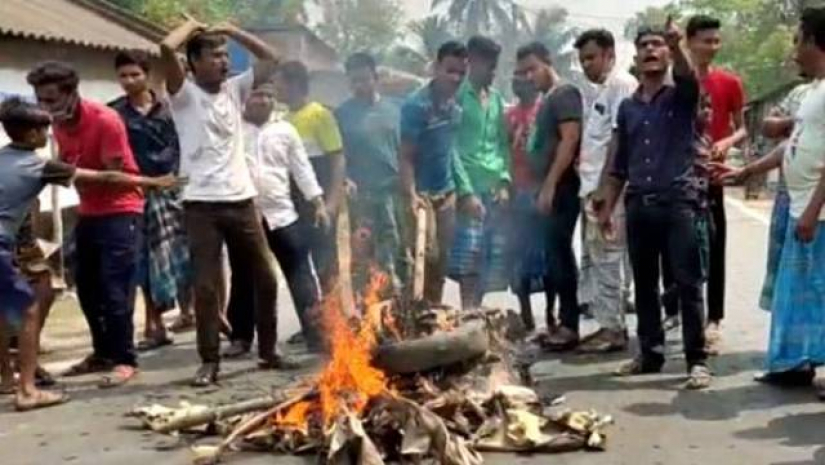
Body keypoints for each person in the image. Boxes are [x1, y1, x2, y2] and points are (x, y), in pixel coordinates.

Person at [0, 97, 176, 409]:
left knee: (5, 309)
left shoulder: (4, 157)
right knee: (28, 310)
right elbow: (105, 177)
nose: (49, 134)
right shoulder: (37, 166)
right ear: (30, 136)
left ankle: (5, 378)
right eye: (44, 130)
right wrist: (153, 182)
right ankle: (27, 391)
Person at [159, 18, 295, 386]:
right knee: (205, 286)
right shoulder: (183, 94)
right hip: (201, 204)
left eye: (225, 54)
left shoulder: (235, 88)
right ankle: (209, 360)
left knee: (266, 277)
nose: (223, 61)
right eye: (215, 55)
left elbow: (272, 58)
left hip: (242, 199)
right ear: (195, 63)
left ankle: (268, 351)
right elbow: (165, 49)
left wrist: (234, 31)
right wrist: (191, 27)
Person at [596, 20, 712, 389]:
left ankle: (697, 360)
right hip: (638, 205)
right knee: (644, 284)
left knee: (687, 282)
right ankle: (650, 354)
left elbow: (689, 77)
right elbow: (619, 164)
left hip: (678, 202)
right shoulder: (628, 108)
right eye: (644, 45)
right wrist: (607, 206)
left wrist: (679, 47)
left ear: (667, 52)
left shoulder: (681, 95)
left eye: (657, 45)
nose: (650, 50)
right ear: (636, 54)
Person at [720, 8, 825, 396]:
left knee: (818, 292)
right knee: (797, 294)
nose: (794, 50)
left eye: (798, 40)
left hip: (817, 212)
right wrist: (747, 171)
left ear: (814, 41)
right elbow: (791, 146)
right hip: (800, 206)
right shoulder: (813, 91)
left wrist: (814, 210)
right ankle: (795, 364)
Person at [27, 61, 145, 388]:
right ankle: (103, 352)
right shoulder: (60, 125)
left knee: (114, 286)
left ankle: (125, 359)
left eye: (50, 100)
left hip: (121, 208)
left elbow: (113, 176)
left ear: (71, 94)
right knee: (87, 287)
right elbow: (70, 167)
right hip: (90, 211)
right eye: (40, 100)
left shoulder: (105, 120)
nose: (44, 107)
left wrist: (63, 172)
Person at [225, 84, 329, 357]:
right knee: (243, 276)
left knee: (300, 275)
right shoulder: (233, 129)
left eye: (268, 95)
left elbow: (301, 168)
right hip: (245, 214)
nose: (262, 100)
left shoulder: (285, 130)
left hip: (283, 215)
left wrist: (317, 200)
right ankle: (241, 337)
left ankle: (316, 333)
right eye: (256, 95)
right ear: (245, 98)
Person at [109, 50, 192, 351]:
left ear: (148, 75)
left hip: (175, 190)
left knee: (183, 256)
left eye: (135, 75)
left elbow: (186, 144)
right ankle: (153, 324)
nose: (129, 81)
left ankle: (189, 311)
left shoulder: (171, 108)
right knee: (145, 260)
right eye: (123, 76)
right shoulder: (114, 114)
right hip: (139, 192)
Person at [686, 15, 748, 355]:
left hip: (711, 177)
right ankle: (678, 312)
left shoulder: (729, 83)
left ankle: (714, 319)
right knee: (678, 249)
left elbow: (743, 128)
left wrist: (726, 143)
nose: (711, 47)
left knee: (715, 242)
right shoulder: (674, 81)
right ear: (689, 41)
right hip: (677, 178)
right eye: (705, 40)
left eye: (715, 41)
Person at [515, 42, 583, 350]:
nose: (529, 77)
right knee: (554, 256)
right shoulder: (548, 98)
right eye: (523, 72)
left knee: (561, 256)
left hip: (562, 188)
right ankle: (563, 324)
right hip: (546, 186)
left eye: (532, 69)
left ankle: (569, 326)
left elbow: (569, 140)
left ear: (548, 62)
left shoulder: (564, 94)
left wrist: (551, 185)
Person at [574, 29, 638, 353]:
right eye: (582, 59)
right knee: (600, 257)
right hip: (595, 189)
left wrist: (605, 190)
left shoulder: (620, 85)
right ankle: (607, 324)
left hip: (608, 192)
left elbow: (619, 138)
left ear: (610, 55)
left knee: (609, 257)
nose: (586, 65)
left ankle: (613, 329)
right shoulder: (601, 90)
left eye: (591, 57)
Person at [399, 41, 468, 305]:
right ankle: (413, 316)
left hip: (447, 194)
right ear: (436, 68)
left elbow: (450, 150)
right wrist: (411, 195)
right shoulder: (416, 106)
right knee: (420, 262)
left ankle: (433, 314)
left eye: (461, 73)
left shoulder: (455, 103)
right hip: (422, 195)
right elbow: (405, 156)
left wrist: (463, 191)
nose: (456, 78)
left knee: (441, 262)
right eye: (450, 71)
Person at [335, 52, 407, 296]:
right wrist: (344, 180)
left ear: (376, 78)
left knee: (395, 250)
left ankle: (397, 306)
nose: (359, 86)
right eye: (354, 81)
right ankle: (366, 311)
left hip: (392, 192)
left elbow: (404, 151)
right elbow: (338, 155)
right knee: (362, 254)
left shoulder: (395, 110)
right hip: (360, 196)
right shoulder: (342, 114)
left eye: (364, 79)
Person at [449, 36, 511, 311]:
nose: (493, 71)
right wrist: (465, 191)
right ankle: (468, 311)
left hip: (494, 189)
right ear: (471, 62)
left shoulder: (497, 99)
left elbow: (502, 143)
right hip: (468, 188)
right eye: (488, 64)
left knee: (490, 254)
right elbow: (449, 146)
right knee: (469, 256)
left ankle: (478, 308)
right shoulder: (458, 96)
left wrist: (504, 182)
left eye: (495, 65)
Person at [273, 61, 345, 297]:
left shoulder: (320, 115)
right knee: (301, 265)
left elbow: (336, 159)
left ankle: (334, 324)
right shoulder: (281, 120)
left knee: (325, 262)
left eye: (279, 83)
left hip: (318, 201)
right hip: (292, 202)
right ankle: (314, 322)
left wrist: (332, 203)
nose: (276, 89)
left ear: (294, 84)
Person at [757, 80, 813, 311]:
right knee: (784, 264)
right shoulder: (801, 92)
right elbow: (768, 126)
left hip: (814, 195)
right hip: (787, 193)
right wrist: (797, 121)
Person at [505, 74, 549, 332]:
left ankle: (553, 314)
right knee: (519, 254)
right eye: (515, 80)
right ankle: (526, 313)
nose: (519, 84)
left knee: (547, 257)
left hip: (541, 190)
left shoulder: (544, 112)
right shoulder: (509, 116)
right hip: (516, 191)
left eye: (524, 79)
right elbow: (503, 149)